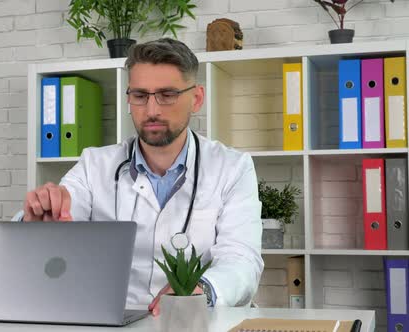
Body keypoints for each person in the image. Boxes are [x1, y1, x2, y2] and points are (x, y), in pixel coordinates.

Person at [17, 38, 263, 315]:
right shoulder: (94, 165)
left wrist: (201, 289)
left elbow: (242, 260)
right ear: (129, 98)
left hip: (198, 319)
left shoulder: (233, 167)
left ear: (196, 99)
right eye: (140, 95)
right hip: (116, 317)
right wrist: (38, 218)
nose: (152, 110)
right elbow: (61, 219)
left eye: (167, 95)